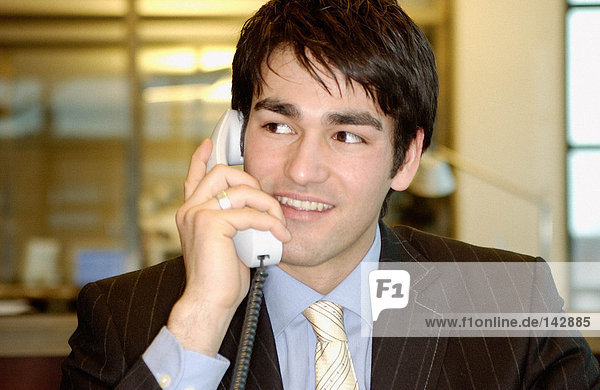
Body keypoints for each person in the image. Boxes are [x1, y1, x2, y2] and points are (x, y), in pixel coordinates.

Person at [61, 0, 600, 389]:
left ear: (406, 159)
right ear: (234, 137)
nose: (303, 170)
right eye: (277, 126)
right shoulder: (124, 316)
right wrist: (202, 316)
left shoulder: (509, 303)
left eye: (347, 135)